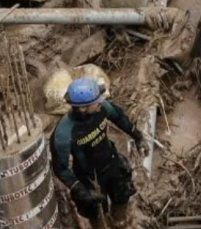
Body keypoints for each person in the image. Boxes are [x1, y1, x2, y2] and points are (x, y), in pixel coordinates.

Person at [50, 77, 145, 229]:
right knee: (96, 213)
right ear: (82, 108)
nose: (101, 101)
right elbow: (60, 168)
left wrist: (138, 136)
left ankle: (120, 223)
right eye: (96, 100)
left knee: (122, 196)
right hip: (89, 179)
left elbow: (119, 117)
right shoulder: (63, 134)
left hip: (111, 162)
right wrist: (79, 189)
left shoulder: (102, 108)